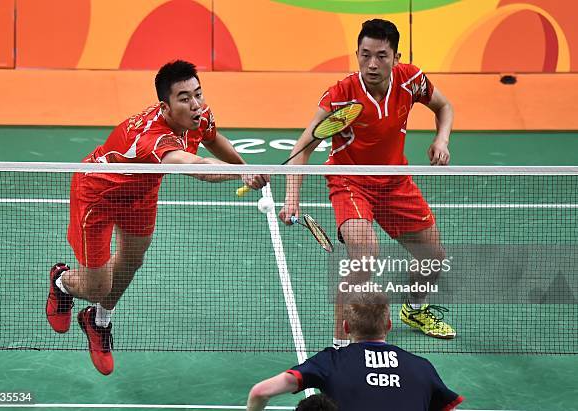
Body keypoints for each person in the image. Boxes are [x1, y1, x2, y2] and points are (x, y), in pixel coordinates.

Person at [45, 60, 269, 375]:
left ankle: (97, 320)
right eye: (184, 98)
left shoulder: (198, 114)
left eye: (198, 94)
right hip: (98, 196)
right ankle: (62, 282)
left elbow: (212, 139)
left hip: (140, 192)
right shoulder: (152, 139)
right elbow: (200, 169)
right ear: (165, 106)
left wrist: (244, 165)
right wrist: (241, 175)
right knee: (96, 287)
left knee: (131, 259)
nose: (195, 105)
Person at [279, 18, 456, 346]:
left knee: (433, 256)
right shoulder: (340, 94)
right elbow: (303, 148)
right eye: (365, 55)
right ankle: (340, 345)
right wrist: (292, 197)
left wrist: (441, 140)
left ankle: (415, 309)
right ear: (357, 53)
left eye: (381, 56)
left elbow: (444, 106)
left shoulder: (411, 81)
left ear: (396, 57)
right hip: (350, 182)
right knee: (364, 255)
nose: (372, 64)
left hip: (394, 181)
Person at [246, 292, 463, 411]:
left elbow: (259, 392)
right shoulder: (421, 367)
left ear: (346, 327)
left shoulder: (331, 362)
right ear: (388, 325)